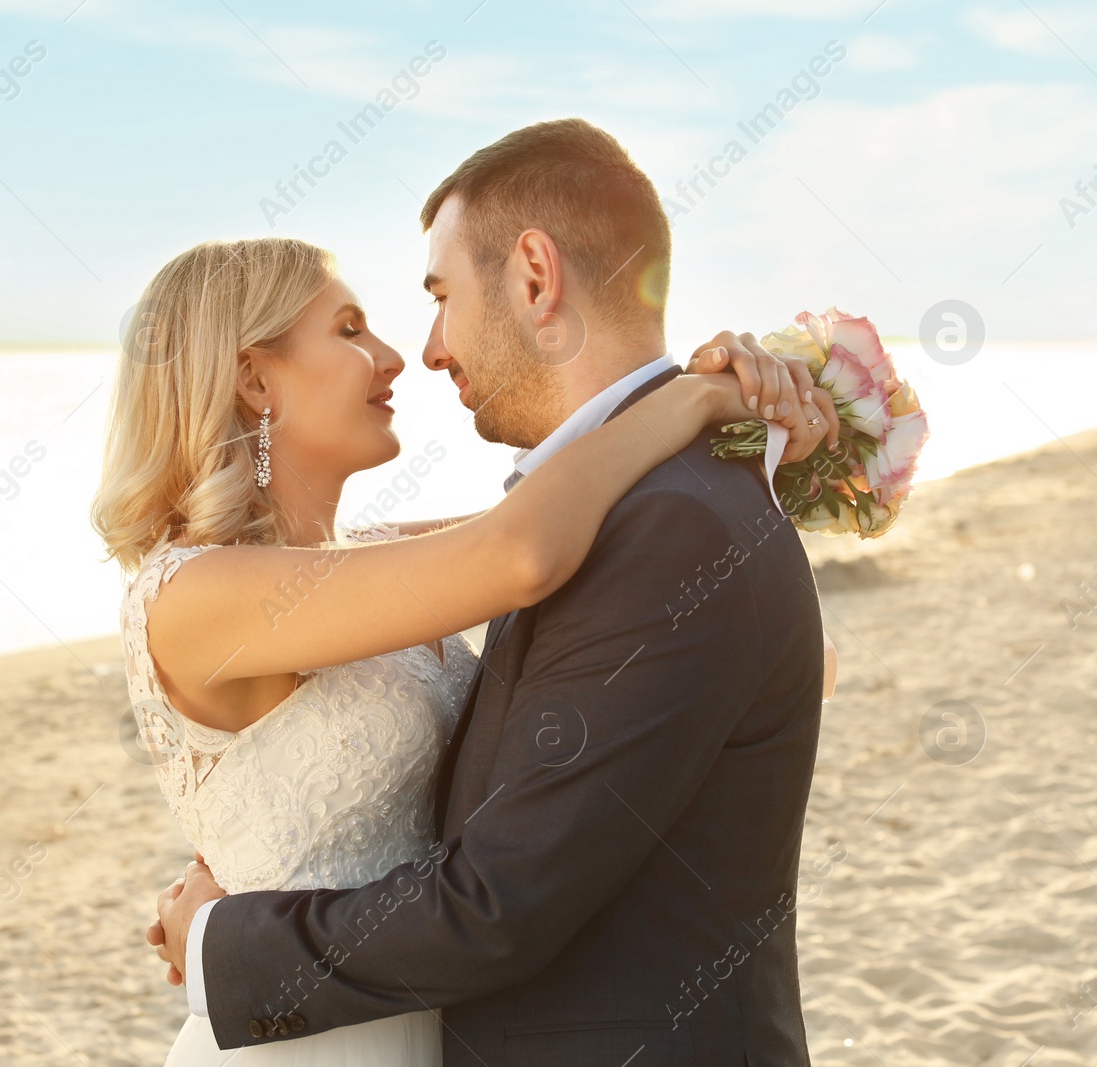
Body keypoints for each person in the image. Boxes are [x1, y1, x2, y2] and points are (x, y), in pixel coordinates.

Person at [116, 119, 838, 1066]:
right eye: (348, 328)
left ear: (535, 277)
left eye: (434, 298)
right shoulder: (199, 593)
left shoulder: (622, 529)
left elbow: (537, 541)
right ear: (254, 377)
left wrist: (754, 446)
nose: (404, 355)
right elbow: (520, 546)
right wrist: (696, 403)